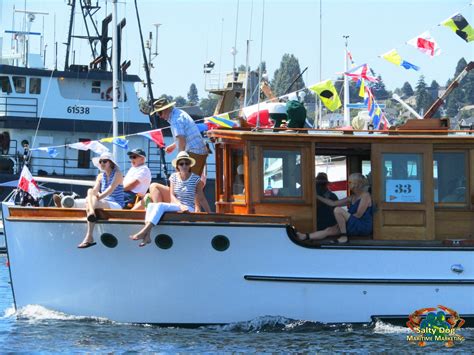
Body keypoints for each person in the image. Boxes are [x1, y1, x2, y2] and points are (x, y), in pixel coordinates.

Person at [130, 151, 211, 247]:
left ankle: (145, 231)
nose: (184, 166)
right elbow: (172, 195)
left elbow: (201, 198)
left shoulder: (196, 179)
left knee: (159, 205)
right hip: (178, 205)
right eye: (181, 163)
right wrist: (180, 205)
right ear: (178, 166)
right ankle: (147, 236)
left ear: (190, 165)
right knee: (151, 205)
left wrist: (210, 215)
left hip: (189, 208)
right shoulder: (173, 177)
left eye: (187, 163)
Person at [296, 173, 372, 244]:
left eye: (350, 182)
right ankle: (305, 236)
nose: (347, 184)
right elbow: (333, 203)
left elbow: (358, 215)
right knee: (328, 230)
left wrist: (343, 223)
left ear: (356, 184)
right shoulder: (352, 197)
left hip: (362, 226)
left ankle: (344, 237)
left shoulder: (365, 195)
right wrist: (317, 196)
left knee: (338, 210)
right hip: (352, 223)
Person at [78, 152, 124, 248]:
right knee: (90, 190)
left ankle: (89, 235)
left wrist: (96, 197)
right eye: (100, 161)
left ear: (111, 163)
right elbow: (95, 190)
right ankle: (91, 213)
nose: (102, 163)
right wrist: (93, 195)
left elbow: (110, 190)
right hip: (103, 201)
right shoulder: (100, 176)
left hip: (115, 203)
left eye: (104, 161)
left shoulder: (118, 174)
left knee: (90, 201)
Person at [151, 98, 208, 176]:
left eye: (160, 113)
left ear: (166, 109)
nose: (160, 116)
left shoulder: (175, 119)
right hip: (198, 151)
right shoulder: (179, 113)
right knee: (192, 182)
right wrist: (173, 146)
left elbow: (181, 139)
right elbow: (183, 137)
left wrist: (180, 159)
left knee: (186, 181)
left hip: (194, 152)